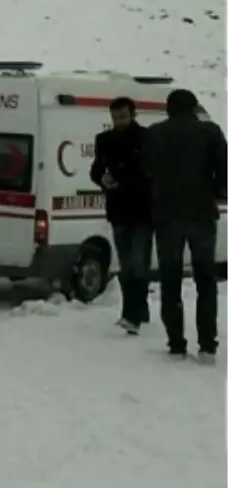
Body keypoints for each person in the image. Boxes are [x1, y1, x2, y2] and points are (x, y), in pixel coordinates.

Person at [143, 89, 227, 362]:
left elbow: (146, 170)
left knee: (170, 280)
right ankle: (207, 346)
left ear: (168, 109)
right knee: (205, 280)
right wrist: (213, 192)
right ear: (193, 108)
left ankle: (177, 343)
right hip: (201, 214)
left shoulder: (154, 133)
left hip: (166, 215)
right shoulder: (210, 132)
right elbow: (224, 170)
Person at [88, 97, 152, 334]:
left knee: (138, 264)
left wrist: (122, 181)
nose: (119, 122)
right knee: (127, 264)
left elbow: (149, 173)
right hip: (118, 209)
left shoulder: (146, 138)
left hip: (143, 209)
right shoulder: (104, 140)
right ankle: (136, 310)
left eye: (123, 117)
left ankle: (132, 315)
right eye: (115, 118)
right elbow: (96, 168)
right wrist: (102, 179)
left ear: (133, 115)